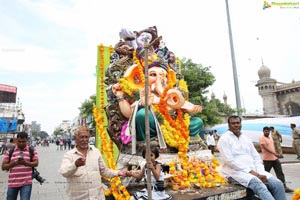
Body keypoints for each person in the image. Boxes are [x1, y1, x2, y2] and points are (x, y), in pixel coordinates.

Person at [217, 115, 286, 200]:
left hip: (255, 171)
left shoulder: (245, 138)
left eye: (238, 123)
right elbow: (230, 161)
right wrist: (255, 174)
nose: (236, 125)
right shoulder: (224, 139)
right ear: (229, 125)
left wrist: (260, 172)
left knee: (278, 184)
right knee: (259, 185)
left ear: (241, 124)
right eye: (233, 123)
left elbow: (256, 156)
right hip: (235, 172)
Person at [59, 126, 128, 200]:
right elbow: (64, 172)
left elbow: (105, 172)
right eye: (82, 137)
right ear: (75, 139)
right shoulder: (69, 155)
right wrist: (75, 165)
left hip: (97, 197)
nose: (84, 140)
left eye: (86, 137)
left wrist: (118, 173)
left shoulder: (96, 152)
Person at [1, 132, 39, 200]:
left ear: (27, 140)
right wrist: (14, 163)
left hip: (26, 183)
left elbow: (36, 163)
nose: (21, 143)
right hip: (12, 183)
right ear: (16, 140)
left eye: (23, 141)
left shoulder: (32, 150)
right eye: (19, 141)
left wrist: (26, 163)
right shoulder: (10, 151)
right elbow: (3, 167)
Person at [259, 126, 293, 193]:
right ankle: (263, 188)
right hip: (267, 159)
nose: (267, 132)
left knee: (280, 173)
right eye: (266, 131)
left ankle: (284, 187)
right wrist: (274, 153)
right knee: (265, 174)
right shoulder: (262, 138)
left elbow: (272, 147)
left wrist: (276, 153)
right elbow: (265, 148)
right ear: (263, 131)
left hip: (274, 158)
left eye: (268, 131)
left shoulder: (270, 138)